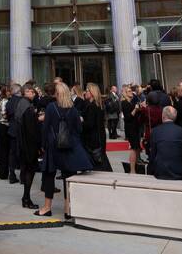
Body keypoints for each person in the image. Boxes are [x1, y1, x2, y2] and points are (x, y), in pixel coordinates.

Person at [37, 82, 91, 218]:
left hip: (52, 145)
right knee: (68, 177)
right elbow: (79, 129)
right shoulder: (73, 109)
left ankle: (47, 207)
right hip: (69, 146)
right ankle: (67, 209)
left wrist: (42, 145)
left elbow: (45, 128)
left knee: (49, 176)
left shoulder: (50, 107)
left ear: (56, 93)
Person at [14, 84, 42, 210]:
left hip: (21, 143)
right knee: (30, 171)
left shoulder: (21, 104)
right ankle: (26, 198)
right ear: (26, 92)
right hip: (29, 145)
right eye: (32, 92)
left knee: (26, 170)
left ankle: (26, 198)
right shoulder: (27, 107)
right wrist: (39, 146)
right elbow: (31, 130)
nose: (34, 94)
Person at [148, 106, 182, 180]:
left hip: (161, 172)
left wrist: (150, 171)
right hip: (180, 172)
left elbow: (153, 154)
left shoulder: (155, 131)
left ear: (163, 116)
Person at [80, 82, 112, 171]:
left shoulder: (92, 106)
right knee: (101, 161)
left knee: (98, 164)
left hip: (93, 140)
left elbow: (90, 124)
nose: (85, 92)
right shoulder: (97, 105)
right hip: (98, 138)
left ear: (92, 93)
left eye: (87, 91)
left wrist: (81, 121)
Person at [120, 85, 143, 174]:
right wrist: (135, 109)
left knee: (137, 147)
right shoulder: (124, 103)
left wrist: (139, 108)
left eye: (131, 91)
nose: (131, 92)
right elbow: (128, 117)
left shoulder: (132, 102)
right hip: (130, 128)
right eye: (129, 91)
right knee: (134, 148)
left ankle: (136, 166)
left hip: (135, 126)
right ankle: (132, 170)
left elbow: (136, 114)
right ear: (125, 93)